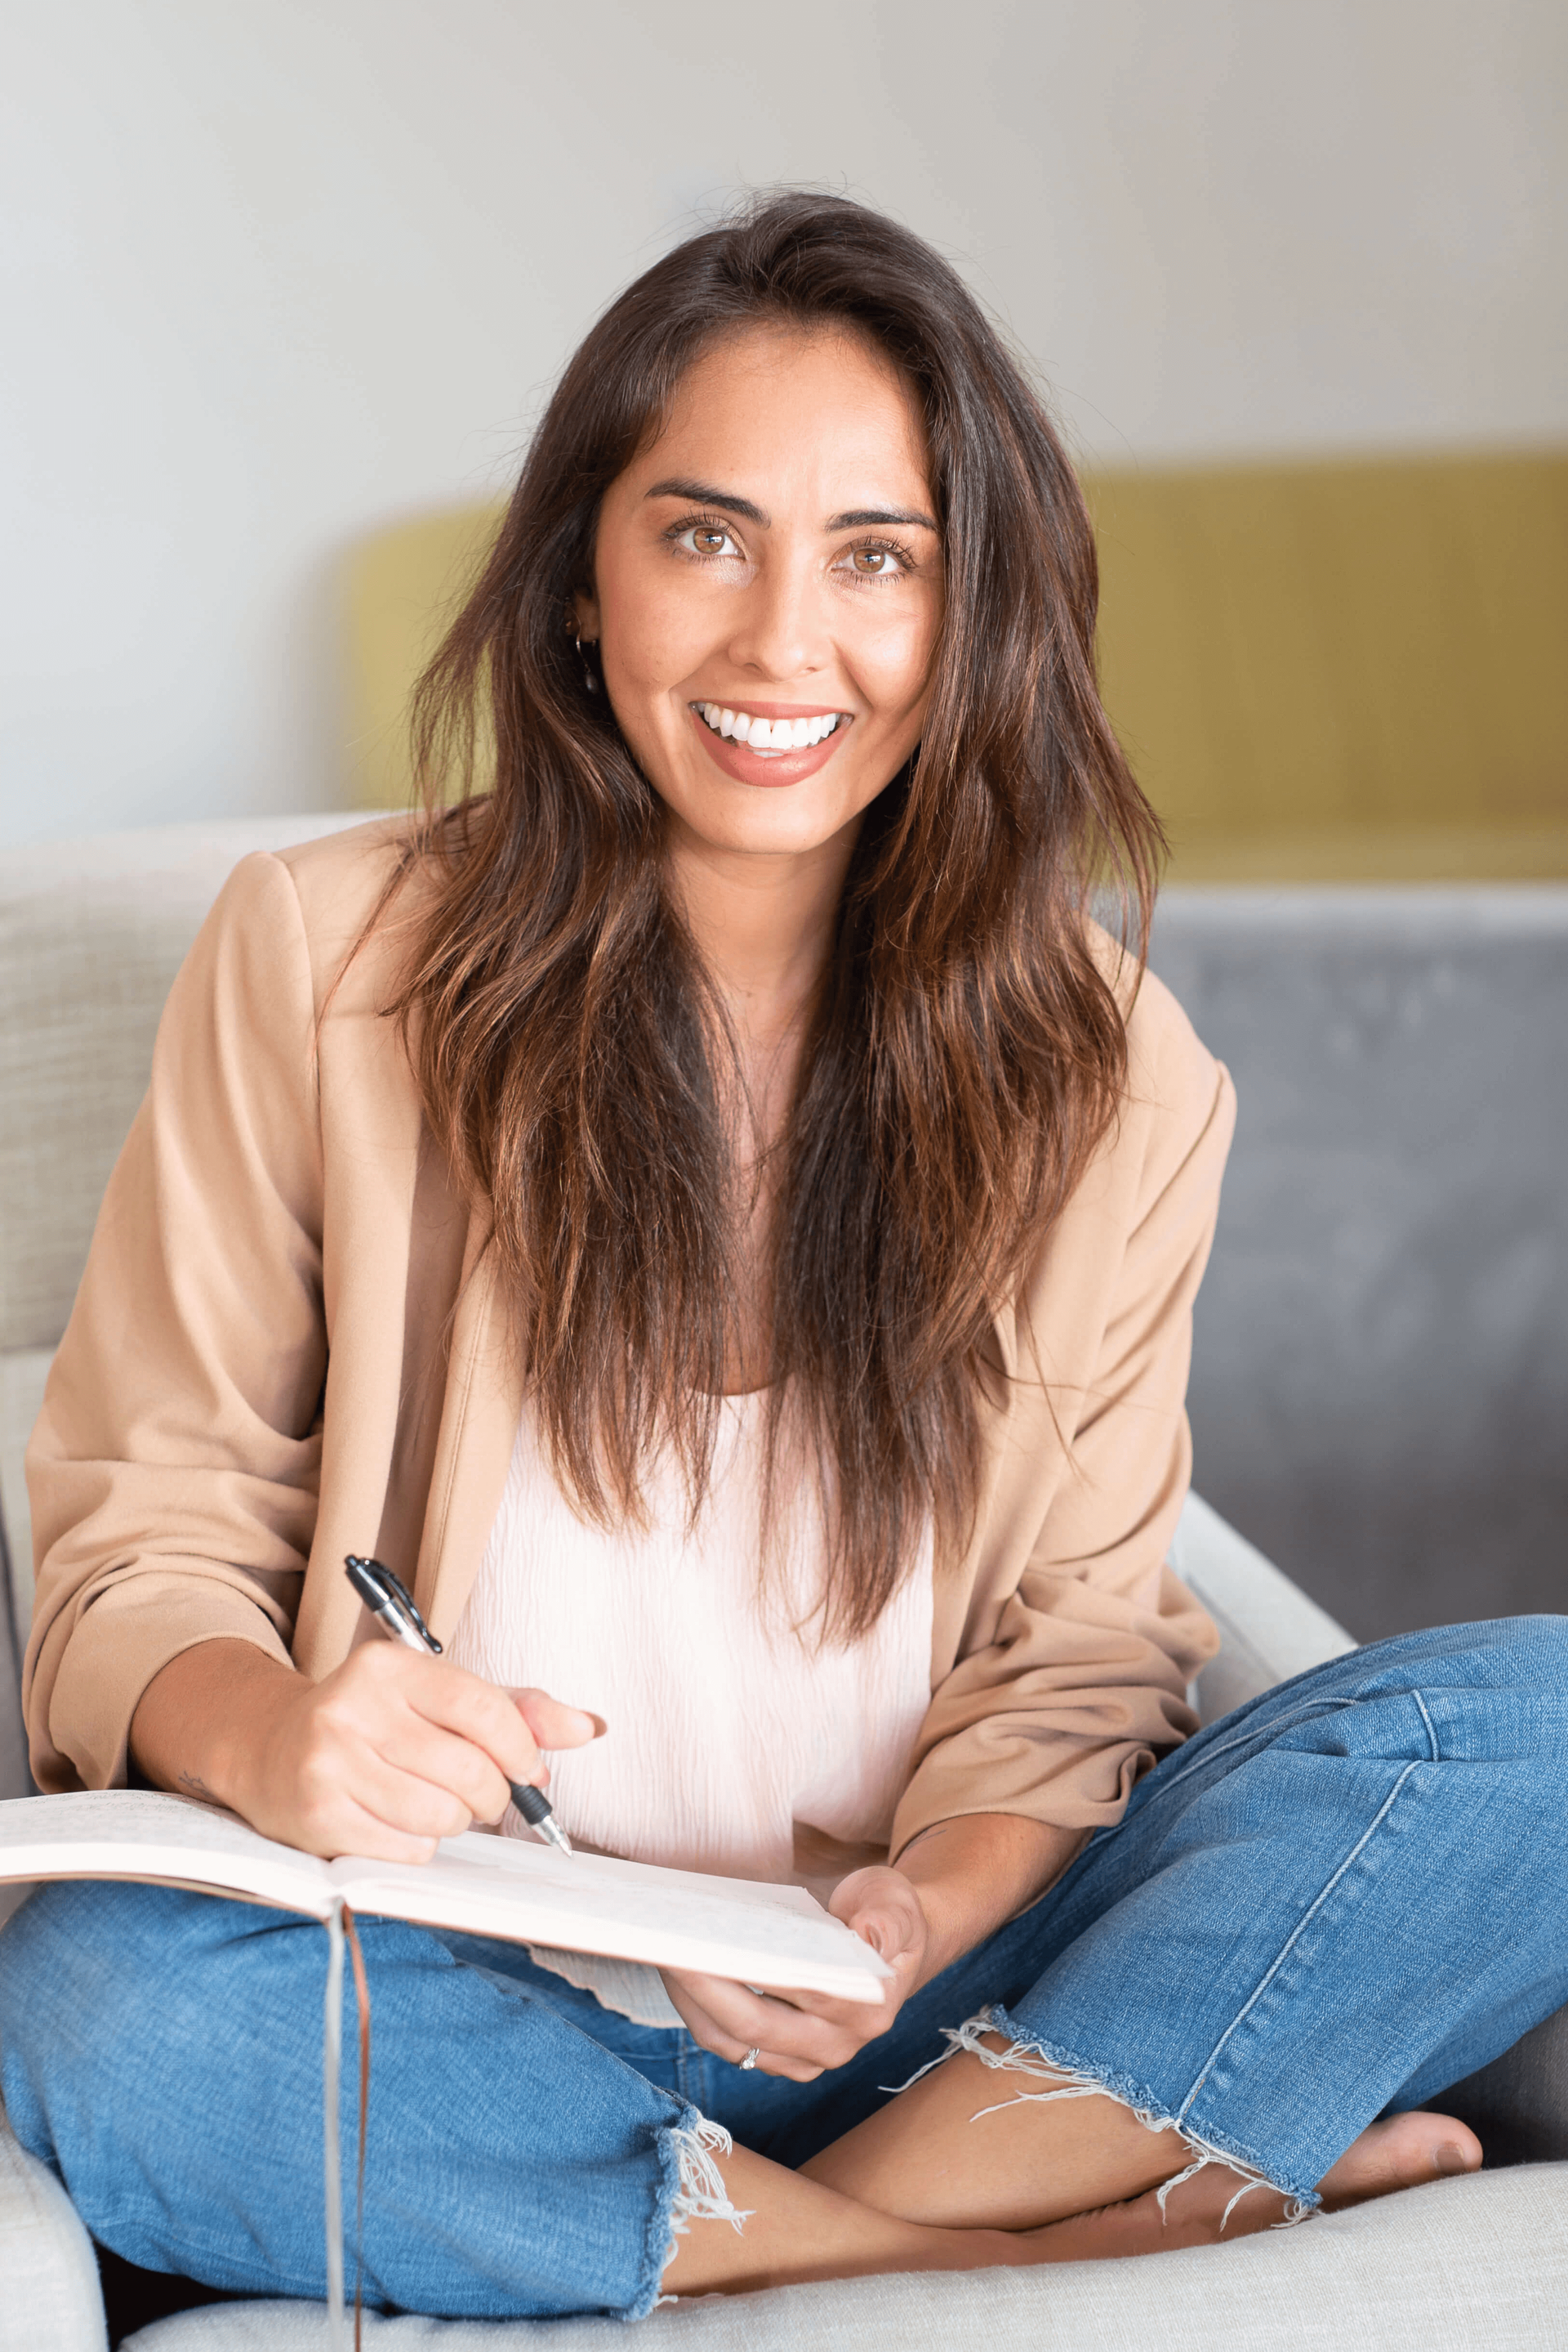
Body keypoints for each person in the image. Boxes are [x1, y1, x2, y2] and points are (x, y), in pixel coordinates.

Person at [2, 192, 1564, 2324]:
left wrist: (921, 1910)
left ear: (970, 614)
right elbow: (143, 1524)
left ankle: (799, 2227)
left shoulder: (1114, 1082)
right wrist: (283, 1738)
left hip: (928, 2021)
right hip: (460, 1996)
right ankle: (1001, 2245)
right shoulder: (320, 967)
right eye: (705, 535)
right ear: (580, 579)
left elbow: (1077, 1661)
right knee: (102, 2008)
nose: (780, 647)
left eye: (876, 559)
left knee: (1536, 1729)